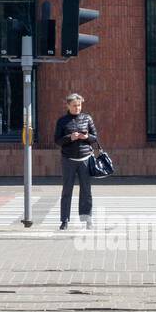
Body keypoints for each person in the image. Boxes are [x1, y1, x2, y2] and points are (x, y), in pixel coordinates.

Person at [53, 93, 98, 230]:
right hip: (68, 159)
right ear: (68, 105)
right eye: (74, 106)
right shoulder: (62, 121)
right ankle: (64, 220)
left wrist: (86, 136)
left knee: (86, 190)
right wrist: (70, 138)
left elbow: (95, 137)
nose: (77, 108)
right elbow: (57, 140)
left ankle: (87, 219)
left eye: (79, 105)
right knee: (67, 190)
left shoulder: (87, 118)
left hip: (85, 159)